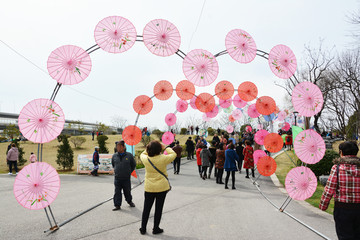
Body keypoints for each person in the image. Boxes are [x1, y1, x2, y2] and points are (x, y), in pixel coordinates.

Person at [319, 141, 360, 240]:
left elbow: (329, 189)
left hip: (343, 209)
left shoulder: (337, 168)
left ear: (341, 152)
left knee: (344, 235)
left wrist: (323, 205)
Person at [139, 140, 176, 235]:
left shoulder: (145, 158)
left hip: (149, 187)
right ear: (159, 149)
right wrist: (165, 147)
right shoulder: (163, 158)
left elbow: (142, 153)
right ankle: (156, 228)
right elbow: (174, 154)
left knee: (146, 209)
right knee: (158, 209)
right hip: (161, 187)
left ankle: (143, 228)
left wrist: (148, 147)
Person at [111, 140, 136, 211]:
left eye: (119, 146)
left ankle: (129, 201)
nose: (118, 148)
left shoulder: (129, 155)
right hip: (117, 178)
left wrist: (128, 172)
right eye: (117, 146)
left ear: (123, 147)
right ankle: (117, 205)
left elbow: (133, 165)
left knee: (127, 191)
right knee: (117, 192)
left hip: (126, 178)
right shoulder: (114, 156)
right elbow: (113, 164)